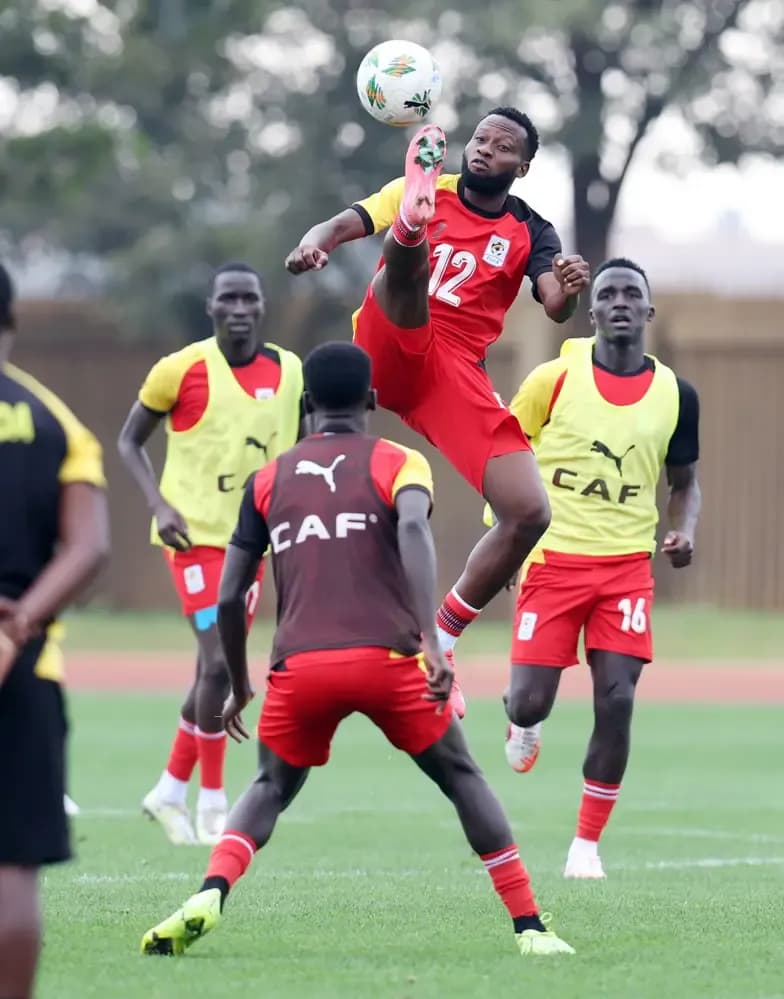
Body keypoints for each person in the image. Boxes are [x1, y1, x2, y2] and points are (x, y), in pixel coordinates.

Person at [140, 341, 574, 959]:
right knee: (461, 777)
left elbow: (233, 592)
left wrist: (239, 682)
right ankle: (530, 926)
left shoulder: (269, 478)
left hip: (300, 667)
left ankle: (211, 890)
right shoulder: (400, 462)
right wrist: (433, 641)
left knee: (268, 785)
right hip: (388, 662)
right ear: (371, 401)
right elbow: (415, 532)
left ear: (308, 403)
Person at [284, 109, 591, 713]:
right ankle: (409, 231)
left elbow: (553, 303)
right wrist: (311, 244)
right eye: (479, 140)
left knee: (529, 510)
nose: (483, 151)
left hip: (452, 369)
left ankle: (441, 640)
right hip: (386, 342)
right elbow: (342, 223)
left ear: (521, 167)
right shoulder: (427, 184)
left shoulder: (533, 230)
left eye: (502, 148)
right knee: (403, 277)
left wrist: (571, 283)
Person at [492, 258, 701, 878]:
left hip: (627, 570)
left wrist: (683, 529)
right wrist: (501, 542)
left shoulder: (676, 395)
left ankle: (586, 846)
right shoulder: (551, 380)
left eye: (630, 295)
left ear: (647, 312)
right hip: (553, 560)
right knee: (528, 704)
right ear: (592, 311)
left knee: (617, 699)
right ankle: (523, 725)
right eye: (606, 293)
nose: (617, 302)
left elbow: (685, 482)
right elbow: (504, 452)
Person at [118, 263, 303, 846]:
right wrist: (159, 506)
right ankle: (214, 805)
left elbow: (298, 447)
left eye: (251, 298)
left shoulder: (290, 371)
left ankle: (170, 790)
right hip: (193, 540)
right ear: (211, 307)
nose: (240, 308)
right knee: (221, 665)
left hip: (250, 545)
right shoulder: (180, 369)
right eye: (229, 298)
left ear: (263, 306)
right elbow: (129, 441)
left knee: (210, 669)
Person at [0, 262, 110, 999]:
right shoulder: (53, 419)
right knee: (12, 869)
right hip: (23, 667)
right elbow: (89, 546)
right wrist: (20, 623)